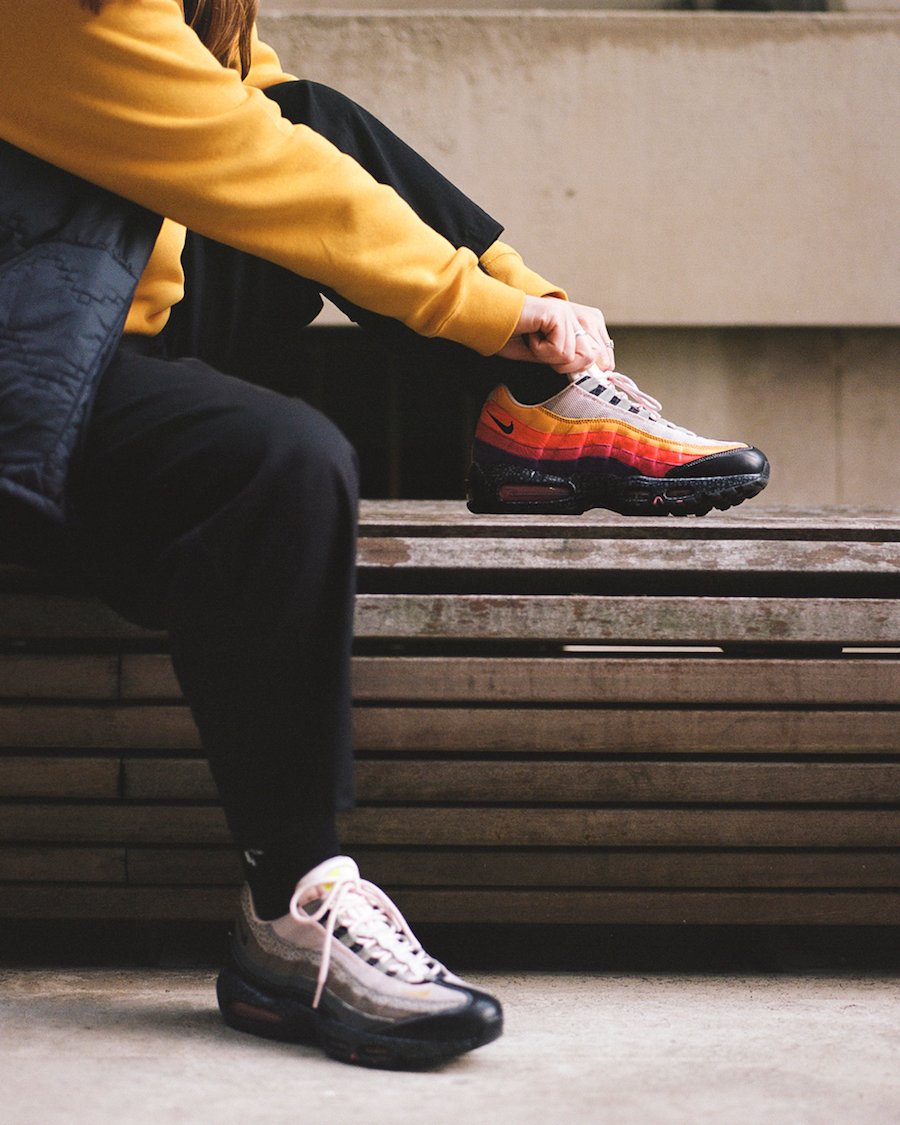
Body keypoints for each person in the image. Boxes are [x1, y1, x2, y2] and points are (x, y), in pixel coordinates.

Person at [0, 0, 768, 1070]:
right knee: (285, 460)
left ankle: (542, 414)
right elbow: (236, 160)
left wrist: (533, 313)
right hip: (26, 376)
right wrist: (490, 313)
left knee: (305, 110)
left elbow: (259, 114)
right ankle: (294, 905)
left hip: (85, 294)